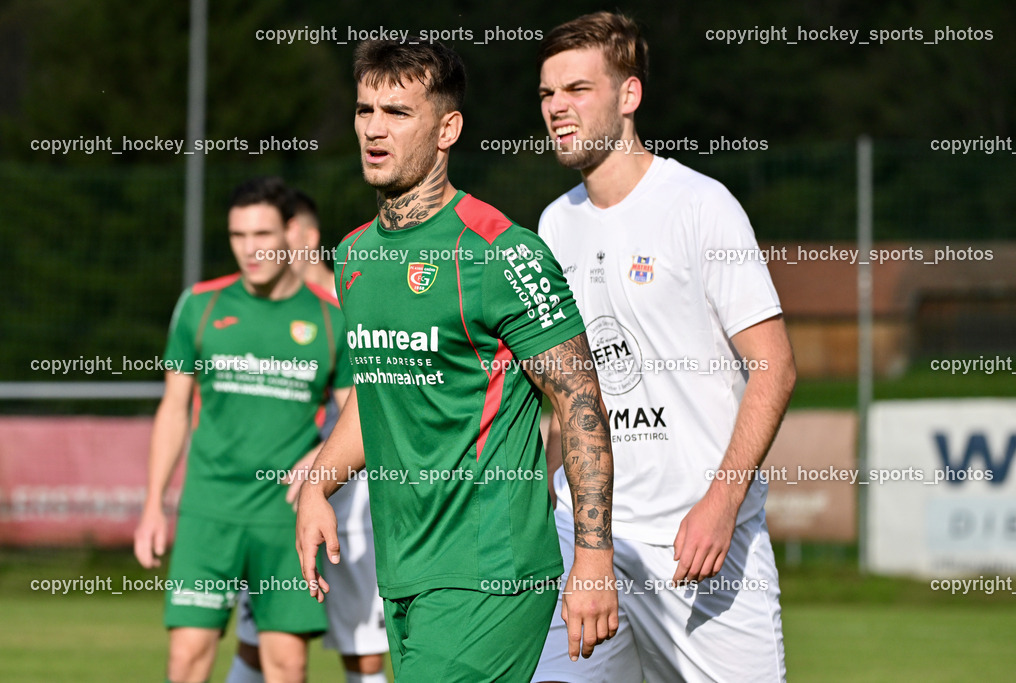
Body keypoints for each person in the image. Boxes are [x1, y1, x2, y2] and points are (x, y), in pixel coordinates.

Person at [295, 40, 618, 681]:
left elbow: (579, 400)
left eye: (398, 112)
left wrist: (593, 558)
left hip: (489, 572)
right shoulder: (356, 257)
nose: (375, 130)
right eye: (365, 111)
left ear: (448, 128)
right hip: (405, 571)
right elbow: (379, 390)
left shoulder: (499, 252)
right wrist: (316, 484)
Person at [532, 12, 795, 683]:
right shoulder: (554, 225)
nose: (558, 108)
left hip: (703, 547)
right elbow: (566, 394)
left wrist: (722, 502)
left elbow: (775, 366)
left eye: (578, 89)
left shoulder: (700, 206)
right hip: (589, 542)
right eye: (547, 94)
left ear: (629, 95)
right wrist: (552, 500)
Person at [134, 176, 349, 683]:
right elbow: (173, 410)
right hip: (209, 509)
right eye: (238, 236)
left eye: (262, 235)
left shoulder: (332, 318)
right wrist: (151, 506)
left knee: (287, 665)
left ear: (291, 233)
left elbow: (362, 414)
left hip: (285, 516)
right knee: (186, 659)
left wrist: (322, 455)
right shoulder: (200, 305)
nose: (250, 250)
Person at [227, 190, 389, 683]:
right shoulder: (263, 306)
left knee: (363, 652)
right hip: (280, 507)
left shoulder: (354, 299)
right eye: (248, 235)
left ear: (305, 236)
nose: (259, 249)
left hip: (355, 504)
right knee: (261, 644)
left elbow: (379, 402)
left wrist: (322, 456)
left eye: (273, 234)